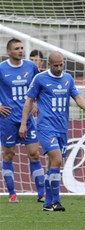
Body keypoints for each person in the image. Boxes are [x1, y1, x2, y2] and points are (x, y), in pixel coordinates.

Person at [19, 51, 85, 211]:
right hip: (46, 127)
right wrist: (24, 123)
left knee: (53, 165)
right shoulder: (40, 79)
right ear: (49, 65)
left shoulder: (68, 78)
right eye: (56, 66)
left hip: (62, 128)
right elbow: (28, 101)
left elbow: (77, 97)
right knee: (57, 160)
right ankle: (56, 201)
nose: (59, 68)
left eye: (61, 65)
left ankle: (47, 204)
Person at [0, 38, 45, 203]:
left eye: (21, 48)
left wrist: (36, 103)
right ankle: (12, 194)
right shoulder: (1, 68)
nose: (20, 50)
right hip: (7, 118)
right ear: (9, 52)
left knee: (34, 153)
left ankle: (42, 194)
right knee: (9, 155)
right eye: (17, 48)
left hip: (27, 117)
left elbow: (41, 86)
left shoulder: (31, 67)